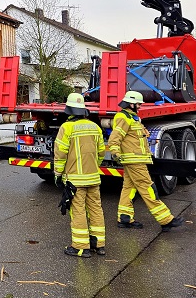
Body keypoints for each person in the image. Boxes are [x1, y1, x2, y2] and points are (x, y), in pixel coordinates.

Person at [106, 90, 183, 231]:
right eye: (138, 104)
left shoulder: (132, 118)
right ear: (130, 103)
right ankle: (166, 220)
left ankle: (125, 218)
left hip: (136, 159)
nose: (140, 106)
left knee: (128, 188)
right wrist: (115, 152)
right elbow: (115, 138)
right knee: (148, 188)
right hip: (134, 160)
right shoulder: (123, 117)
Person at [53, 93, 106, 258]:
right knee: (96, 208)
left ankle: (81, 247)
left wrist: (57, 174)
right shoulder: (95, 127)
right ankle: (99, 244)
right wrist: (93, 167)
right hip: (93, 178)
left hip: (75, 180)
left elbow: (60, 154)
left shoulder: (66, 128)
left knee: (78, 211)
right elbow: (101, 152)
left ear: (68, 110)